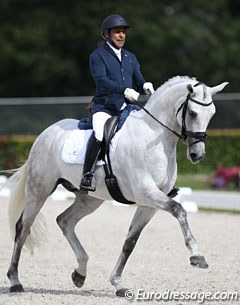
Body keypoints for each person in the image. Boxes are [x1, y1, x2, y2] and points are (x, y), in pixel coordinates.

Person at [80, 14, 154, 191]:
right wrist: (124, 90)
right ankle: (87, 175)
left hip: (125, 108)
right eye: (117, 32)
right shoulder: (97, 56)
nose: (121, 35)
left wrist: (145, 84)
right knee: (99, 134)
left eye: (123, 32)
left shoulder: (130, 57)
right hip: (104, 107)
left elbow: (138, 78)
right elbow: (101, 80)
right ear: (106, 35)